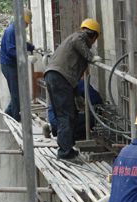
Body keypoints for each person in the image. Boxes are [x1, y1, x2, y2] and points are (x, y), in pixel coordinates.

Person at [44, 18, 102, 159]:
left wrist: (76, 96)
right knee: (66, 116)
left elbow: (74, 75)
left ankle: (67, 146)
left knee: (69, 114)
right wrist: (91, 57)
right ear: (93, 36)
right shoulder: (79, 37)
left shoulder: (75, 42)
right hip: (60, 78)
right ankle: (64, 152)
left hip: (55, 76)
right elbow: (78, 40)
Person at [0, 8, 35, 122]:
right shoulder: (11, 31)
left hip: (12, 65)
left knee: (18, 92)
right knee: (16, 94)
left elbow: (21, 43)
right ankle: (16, 118)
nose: (26, 26)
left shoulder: (17, 30)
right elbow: (11, 50)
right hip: (8, 65)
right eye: (26, 23)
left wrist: (31, 47)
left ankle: (9, 113)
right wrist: (26, 56)